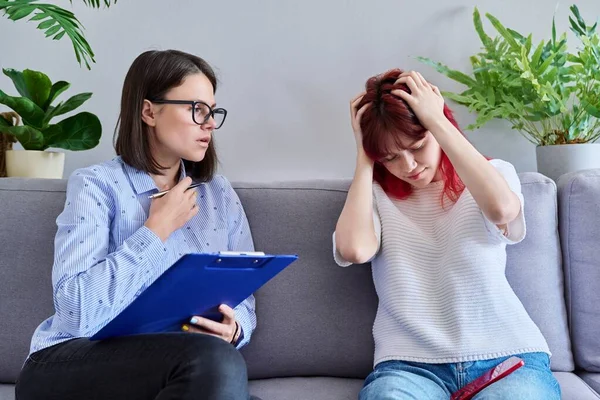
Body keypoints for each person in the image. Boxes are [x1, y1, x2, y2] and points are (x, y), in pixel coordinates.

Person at [16, 49, 259, 400]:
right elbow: (75, 311)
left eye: (212, 112)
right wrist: (154, 232)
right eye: (196, 109)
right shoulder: (95, 185)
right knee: (214, 362)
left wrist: (234, 328)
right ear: (148, 111)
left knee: (226, 374)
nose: (208, 123)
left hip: (179, 368)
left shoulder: (218, 194)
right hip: (68, 364)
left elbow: (243, 293)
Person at [333, 69, 561, 399]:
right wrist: (365, 156)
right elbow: (355, 249)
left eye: (418, 145)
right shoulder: (375, 196)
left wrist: (437, 122)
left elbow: (502, 210)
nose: (408, 165)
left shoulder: (492, 174)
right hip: (410, 367)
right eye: (391, 157)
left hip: (507, 359)